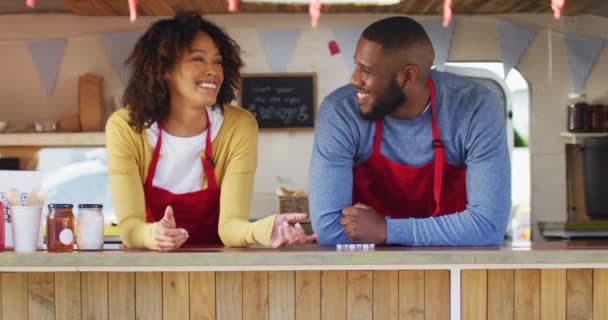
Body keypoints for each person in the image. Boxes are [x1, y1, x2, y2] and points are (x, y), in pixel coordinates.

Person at [106, 12, 315, 251]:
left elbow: (230, 227)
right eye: (198, 59)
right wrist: (153, 234)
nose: (213, 70)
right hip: (147, 269)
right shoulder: (126, 127)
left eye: (217, 61)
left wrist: (265, 229)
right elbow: (130, 227)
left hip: (215, 271)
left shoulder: (239, 126)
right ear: (163, 69)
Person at [309, 16, 511, 246]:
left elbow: (488, 227)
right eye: (356, 65)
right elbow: (328, 230)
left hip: (452, 267)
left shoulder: (475, 107)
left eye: (366, 70)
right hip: (366, 270)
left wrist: (386, 230)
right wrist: (452, 232)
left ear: (407, 76)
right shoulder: (340, 112)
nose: (354, 79)